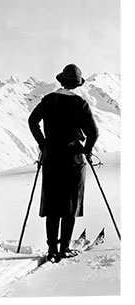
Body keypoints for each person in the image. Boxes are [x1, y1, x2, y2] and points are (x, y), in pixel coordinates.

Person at [28, 63, 99, 262]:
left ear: (61, 80)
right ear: (77, 85)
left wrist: (43, 144)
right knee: (70, 204)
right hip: (74, 158)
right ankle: (64, 248)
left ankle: (51, 249)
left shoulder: (49, 100)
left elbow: (32, 121)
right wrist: (87, 150)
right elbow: (93, 133)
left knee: (52, 203)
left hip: (52, 157)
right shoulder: (80, 103)